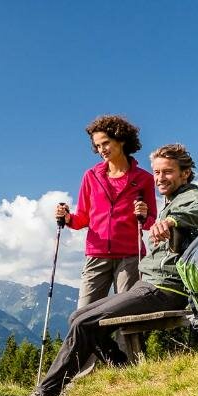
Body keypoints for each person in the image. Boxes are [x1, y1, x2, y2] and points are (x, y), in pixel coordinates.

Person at [8, 143, 198, 396]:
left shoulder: (191, 196)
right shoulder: (173, 199)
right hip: (150, 284)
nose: (159, 178)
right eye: (156, 172)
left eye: (167, 172)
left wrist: (171, 221)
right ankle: (123, 369)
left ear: (185, 173)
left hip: (165, 289)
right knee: (78, 317)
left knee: (84, 322)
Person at [59, 115, 157, 310]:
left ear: (121, 140)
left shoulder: (144, 179)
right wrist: (67, 218)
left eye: (106, 143)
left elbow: (150, 221)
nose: (101, 149)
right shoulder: (91, 176)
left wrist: (144, 214)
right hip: (96, 255)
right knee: (83, 315)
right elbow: (83, 219)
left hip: (130, 257)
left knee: (126, 314)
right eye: (97, 145)